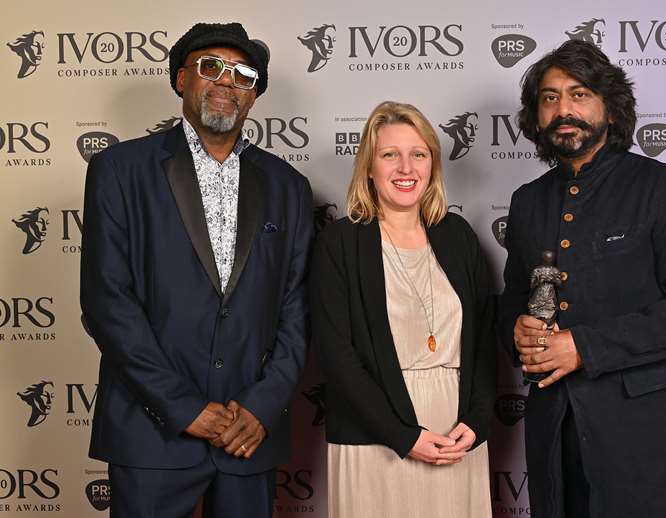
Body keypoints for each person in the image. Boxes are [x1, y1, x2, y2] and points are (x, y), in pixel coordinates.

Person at [80, 22, 313, 518]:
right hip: (151, 433)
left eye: (244, 74)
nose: (227, 81)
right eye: (212, 67)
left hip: (248, 437)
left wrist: (261, 406)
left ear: (253, 97)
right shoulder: (120, 170)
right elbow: (107, 303)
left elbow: (296, 308)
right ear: (182, 79)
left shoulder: (288, 186)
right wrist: (186, 408)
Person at [498, 40, 666, 518]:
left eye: (579, 94)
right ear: (536, 115)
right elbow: (516, 297)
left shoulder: (662, 187)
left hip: (644, 436)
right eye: (550, 97)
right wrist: (515, 327)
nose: (564, 109)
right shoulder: (527, 201)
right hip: (553, 434)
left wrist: (584, 346)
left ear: (609, 105)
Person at [310, 101, 496, 517]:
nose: (405, 167)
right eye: (389, 154)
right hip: (375, 434)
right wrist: (403, 435)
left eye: (419, 153)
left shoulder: (458, 236)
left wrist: (479, 420)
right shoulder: (340, 243)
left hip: (456, 434)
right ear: (369, 168)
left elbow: (485, 339)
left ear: (433, 165)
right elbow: (336, 356)